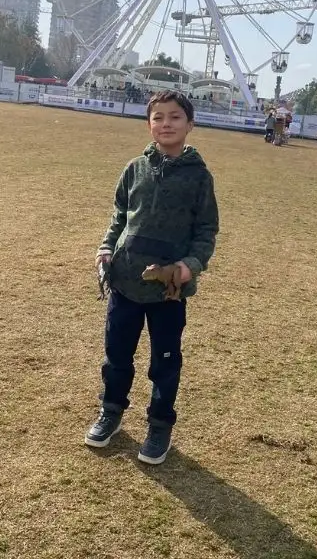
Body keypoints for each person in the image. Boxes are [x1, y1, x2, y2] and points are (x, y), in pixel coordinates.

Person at [84, 89, 220, 465]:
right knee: (116, 354)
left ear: (190, 124)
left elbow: (206, 230)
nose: (166, 124)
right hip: (125, 282)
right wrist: (106, 248)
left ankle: (159, 426)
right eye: (158, 117)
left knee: (165, 360)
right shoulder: (134, 168)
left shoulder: (198, 177)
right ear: (149, 124)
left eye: (175, 117)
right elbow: (119, 215)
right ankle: (111, 411)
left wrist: (190, 265)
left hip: (168, 291)